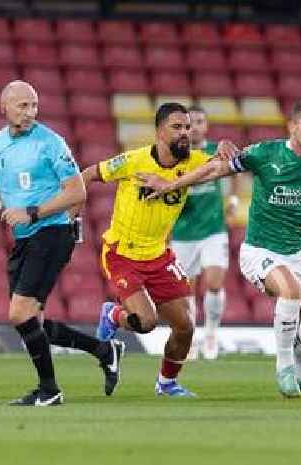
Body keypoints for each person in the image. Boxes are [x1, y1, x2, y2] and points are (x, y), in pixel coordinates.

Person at [137, 99, 301, 398]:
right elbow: (214, 171)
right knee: (292, 292)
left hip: (298, 254)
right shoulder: (264, 153)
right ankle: (284, 368)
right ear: (292, 126)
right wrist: (170, 185)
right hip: (260, 251)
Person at [0, 80, 124, 407]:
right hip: (24, 236)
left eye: (34, 105)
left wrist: (32, 213)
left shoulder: (51, 142)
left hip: (53, 231)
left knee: (20, 313)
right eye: (23, 106)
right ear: (4, 107)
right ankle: (104, 350)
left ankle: (49, 390)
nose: (31, 112)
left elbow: (77, 192)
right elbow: (1, 180)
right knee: (33, 321)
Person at [83, 103, 223, 397]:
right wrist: (72, 213)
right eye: (177, 127)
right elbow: (88, 175)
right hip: (122, 253)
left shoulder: (195, 160)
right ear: (159, 132)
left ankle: (167, 383)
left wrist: (225, 148)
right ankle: (113, 315)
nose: (185, 132)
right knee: (146, 323)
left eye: (187, 127)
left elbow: (224, 164)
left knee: (185, 326)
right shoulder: (133, 161)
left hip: (158, 255)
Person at [170, 104, 239, 360]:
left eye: (200, 121)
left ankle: (211, 333)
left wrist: (232, 200)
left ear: (206, 126)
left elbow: (235, 171)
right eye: (190, 123)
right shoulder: (176, 155)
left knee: (214, 282)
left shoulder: (216, 153)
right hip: (182, 232)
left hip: (213, 229)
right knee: (185, 289)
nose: (195, 127)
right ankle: (190, 337)